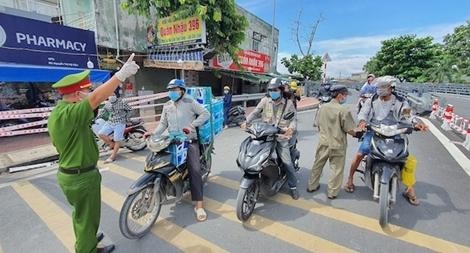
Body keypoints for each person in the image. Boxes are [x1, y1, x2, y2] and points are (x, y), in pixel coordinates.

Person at [47, 54, 139, 253]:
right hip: (81, 178)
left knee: (81, 216)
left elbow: (94, 106)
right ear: (77, 95)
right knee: (87, 217)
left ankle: (87, 237)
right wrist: (121, 75)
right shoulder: (70, 113)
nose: (91, 93)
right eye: (87, 90)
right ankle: (87, 248)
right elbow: (97, 98)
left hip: (71, 174)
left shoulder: (58, 113)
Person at [344, 76, 427, 206]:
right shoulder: (372, 100)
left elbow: (408, 116)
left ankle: (409, 188)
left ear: (391, 88)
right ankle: (349, 179)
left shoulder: (401, 102)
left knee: (406, 159)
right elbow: (363, 113)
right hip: (375, 130)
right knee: (360, 154)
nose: (380, 90)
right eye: (379, 87)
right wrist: (362, 122)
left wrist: (415, 124)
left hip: (396, 133)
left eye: (383, 87)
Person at [147, 79, 210, 221]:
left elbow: (205, 114)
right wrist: (153, 134)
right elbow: (163, 124)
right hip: (172, 140)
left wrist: (192, 126)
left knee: (194, 171)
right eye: (170, 90)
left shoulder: (190, 102)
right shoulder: (167, 105)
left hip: (189, 141)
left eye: (175, 90)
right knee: (158, 161)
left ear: (181, 91)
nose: (172, 92)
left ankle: (199, 206)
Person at [241, 77, 299, 199]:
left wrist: (290, 129)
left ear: (281, 90)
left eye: (275, 89)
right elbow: (255, 112)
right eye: (271, 90)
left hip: (280, 137)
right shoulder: (265, 101)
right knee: (253, 155)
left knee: (287, 162)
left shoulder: (288, 104)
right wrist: (246, 122)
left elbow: (293, 119)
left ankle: (293, 186)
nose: (273, 92)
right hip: (265, 135)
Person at [307, 85, 357, 199]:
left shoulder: (322, 107)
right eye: (345, 95)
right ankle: (332, 193)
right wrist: (358, 133)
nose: (345, 97)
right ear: (340, 95)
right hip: (337, 144)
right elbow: (350, 130)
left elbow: (317, 124)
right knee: (336, 169)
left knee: (317, 165)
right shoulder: (343, 110)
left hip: (323, 142)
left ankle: (312, 186)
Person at [98, 88, 132, 163]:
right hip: (110, 122)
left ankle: (113, 156)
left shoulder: (122, 102)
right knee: (101, 133)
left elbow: (129, 110)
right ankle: (111, 144)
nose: (111, 96)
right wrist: (96, 117)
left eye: (112, 94)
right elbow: (103, 112)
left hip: (120, 123)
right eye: (109, 95)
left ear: (116, 95)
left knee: (117, 139)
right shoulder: (107, 103)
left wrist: (126, 119)